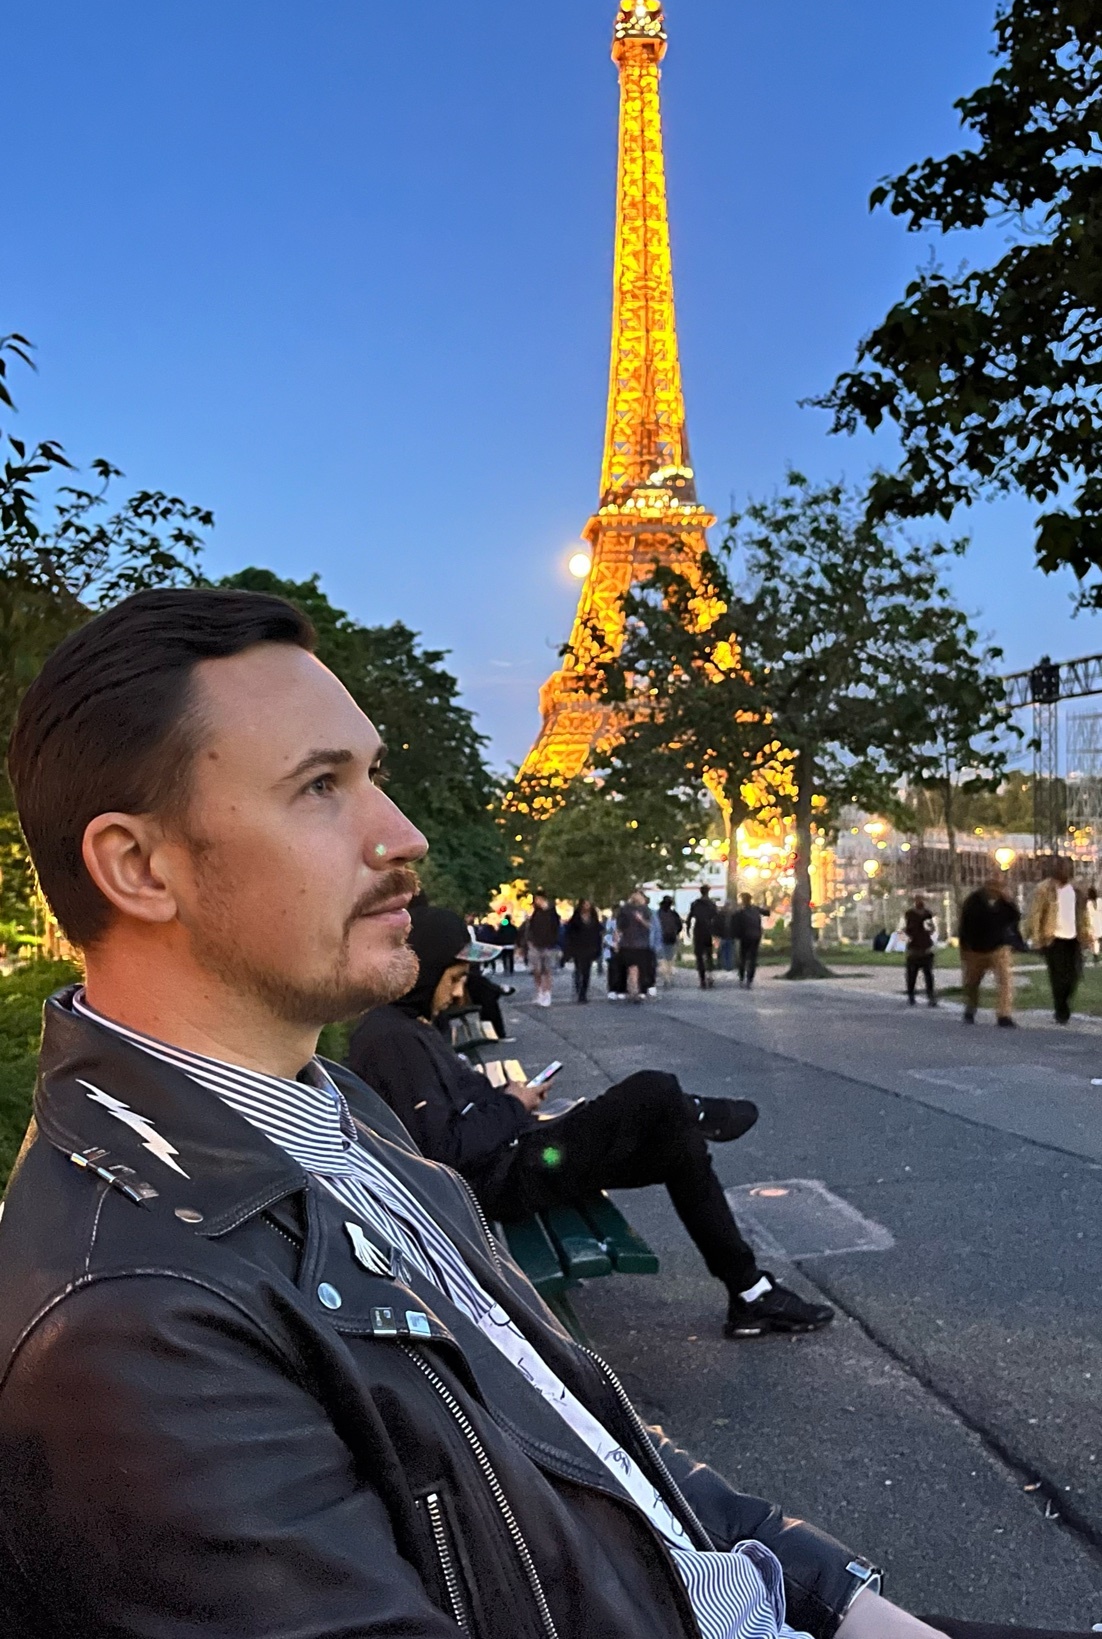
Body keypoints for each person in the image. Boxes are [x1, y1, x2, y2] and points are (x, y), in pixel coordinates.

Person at [0, 589, 1075, 1639]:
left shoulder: (335, 1111)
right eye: (320, 786)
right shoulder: (132, 1327)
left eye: (373, 774)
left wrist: (837, 1595)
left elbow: (580, 1431)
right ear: (138, 866)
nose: (404, 835)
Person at [351, 901, 834, 1343]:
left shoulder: (405, 1028)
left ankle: (749, 1293)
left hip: (519, 1156)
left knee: (678, 1144)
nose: (458, 994)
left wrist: (509, 1099)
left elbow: (454, 1113)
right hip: (506, 1177)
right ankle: (705, 1112)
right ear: (423, 970)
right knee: (653, 1090)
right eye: (453, 978)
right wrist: (514, 1105)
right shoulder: (392, 1040)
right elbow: (446, 1149)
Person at [1027, 857, 1092, 1025]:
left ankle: (1064, 1002)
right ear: (1055, 870)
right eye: (1061, 868)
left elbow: (1082, 914)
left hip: (1073, 938)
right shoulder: (1044, 889)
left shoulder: (1076, 890)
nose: (1065, 871)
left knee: (1074, 974)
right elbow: (1036, 914)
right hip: (1053, 938)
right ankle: (1061, 1010)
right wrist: (1036, 936)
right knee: (1058, 976)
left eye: (1067, 868)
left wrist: (1086, 934)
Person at [958, 874, 1021, 1028]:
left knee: (1005, 981)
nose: (995, 890)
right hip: (975, 950)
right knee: (972, 982)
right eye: (992, 886)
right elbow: (964, 925)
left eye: (998, 886)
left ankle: (1004, 1014)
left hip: (998, 948)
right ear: (986, 886)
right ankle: (970, 1009)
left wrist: (1009, 901)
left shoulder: (1004, 903)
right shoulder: (973, 901)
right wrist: (965, 948)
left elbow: (1015, 917)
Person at [614, 888, 655, 1001]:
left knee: (639, 968)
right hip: (627, 943)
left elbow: (650, 926)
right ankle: (632, 989)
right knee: (630, 967)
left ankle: (638, 990)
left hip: (642, 944)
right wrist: (616, 941)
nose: (636, 897)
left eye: (638, 895)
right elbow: (619, 927)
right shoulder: (625, 910)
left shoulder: (646, 910)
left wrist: (641, 919)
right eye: (634, 894)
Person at [563, 897, 603, 1003]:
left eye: (588, 904)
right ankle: (578, 988)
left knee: (586, 971)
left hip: (590, 947)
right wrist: (569, 949)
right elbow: (569, 934)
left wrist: (597, 948)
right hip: (578, 947)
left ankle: (583, 993)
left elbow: (598, 934)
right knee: (578, 969)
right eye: (585, 904)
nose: (586, 906)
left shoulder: (594, 918)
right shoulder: (575, 919)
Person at [526, 888, 560, 1007]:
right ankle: (540, 991)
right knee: (537, 970)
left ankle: (547, 993)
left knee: (546, 971)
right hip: (536, 944)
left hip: (548, 945)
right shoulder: (536, 912)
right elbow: (531, 927)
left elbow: (556, 927)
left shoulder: (551, 912)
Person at [902, 896, 937, 1008]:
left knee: (927, 975)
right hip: (915, 948)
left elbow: (931, 929)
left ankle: (930, 996)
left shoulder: (927, 914)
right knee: (913, 975)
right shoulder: (910, 914)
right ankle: (912, 995)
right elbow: (906, 930)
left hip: (924, 948)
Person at [687, 884, 717, 988]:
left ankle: (702, 979)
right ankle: (710, 976)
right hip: (708, 931)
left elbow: (690, 917)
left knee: (699, 956)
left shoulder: (695, 904)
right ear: (708, 891)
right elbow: (716, 918)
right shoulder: (712, 904)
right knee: (709, 955)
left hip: (698, 930)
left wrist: (687, 930)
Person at [735, 893, 767, 987]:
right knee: (753, 957)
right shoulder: (756, 909)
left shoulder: (741, 911)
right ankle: (750, 978)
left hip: (745, 937)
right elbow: (767, 912)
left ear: (743, 900)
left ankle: (741, 977)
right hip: (756, 936)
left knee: (743, 957)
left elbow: (736, 925)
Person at [657, 893, 683, 987]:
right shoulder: (674, 914)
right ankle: (669, 976)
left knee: (662, 959)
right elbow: (680, 926)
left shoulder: (657, 914)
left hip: (661, 938)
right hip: (672, 938)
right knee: (670, 959)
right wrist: (676, 933)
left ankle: (666, 978)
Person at [1088, 884, 1102, 963]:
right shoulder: (1100, 901)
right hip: (1099, 922)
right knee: (1096, 941)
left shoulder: (1088, 903)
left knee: (1095, 941)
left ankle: (1095, 956)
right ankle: (1095, 955)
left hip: (1093, 924)